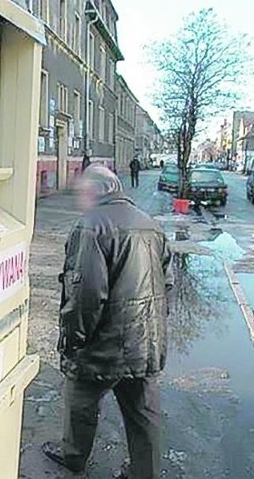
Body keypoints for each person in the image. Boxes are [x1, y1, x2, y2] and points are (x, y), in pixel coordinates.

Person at [42, 166, 173, 479]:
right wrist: (152, 326)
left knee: (80, 400)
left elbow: (85, 294)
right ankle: (146, 472)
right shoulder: (149, 224)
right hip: (145, 340)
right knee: (143, 412)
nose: (80, 200)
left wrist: (73, 340)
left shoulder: (91, 226)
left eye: (82, 193)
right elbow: (166, 282)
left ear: (96, 192)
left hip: (104, 344)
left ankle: (73, 456)